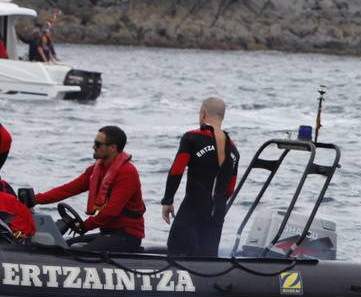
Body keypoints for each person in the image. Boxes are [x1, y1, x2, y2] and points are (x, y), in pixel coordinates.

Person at [34, 126, 146, 251]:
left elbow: (111, 211)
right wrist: (36, 199)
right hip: (106, 233)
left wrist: (85, 226)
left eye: (98, 144)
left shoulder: (127, 173)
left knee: (74, 252)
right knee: (65, 245)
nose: (93, 147)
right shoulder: (96, 170)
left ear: (113, 148)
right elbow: (68, 189)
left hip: (126, 236)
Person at [161, 97, 239, 257]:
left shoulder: (192, 138)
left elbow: (176, 170)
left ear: (203, 113)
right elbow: (230, 188)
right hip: (217, 211)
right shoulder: (233, 149)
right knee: (207, 259)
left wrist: (168, 200)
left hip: (193, 207)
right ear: (222, 117)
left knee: (175, 251)